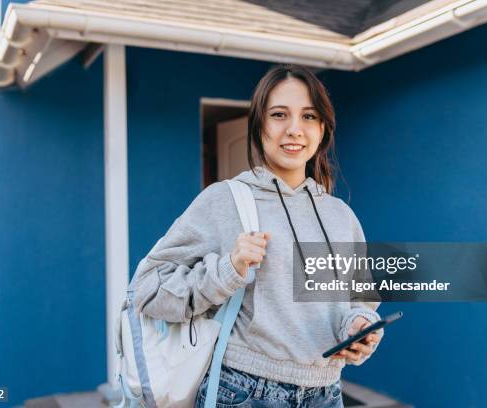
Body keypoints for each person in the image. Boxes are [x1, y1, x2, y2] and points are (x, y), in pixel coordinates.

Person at [131, 65, 383, 408]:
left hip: (327, 393)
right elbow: (147, 289)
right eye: (279, 115)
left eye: (308, 116)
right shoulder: (225, 199)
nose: (294, 129)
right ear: (258, 125)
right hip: (246, 392)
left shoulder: (341, 216)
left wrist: (359, 326)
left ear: (322, 128)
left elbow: (360, 299)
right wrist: (226, 270)